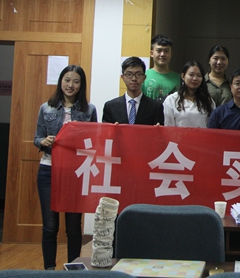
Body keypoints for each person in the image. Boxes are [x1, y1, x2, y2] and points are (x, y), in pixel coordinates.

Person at [34, 65, 97, 270]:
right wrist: (43, 141)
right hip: (49, 169)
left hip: (75, 172)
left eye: (76, 81)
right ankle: (49, 270)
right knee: (50, 226)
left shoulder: (89, 110)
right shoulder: (46, 108)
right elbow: (37, 138)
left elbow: (94, 141)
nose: (71, 85)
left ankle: (73, 269)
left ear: (81, 85)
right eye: (67, 80)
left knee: (73, 226)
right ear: (60, 81)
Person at [102, 57, 164, 125]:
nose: (134, 79)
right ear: (123, 77)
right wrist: (113, 129)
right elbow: (105, 131)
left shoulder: (155, 107)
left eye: (138, 74)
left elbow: (158, 130)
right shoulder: (110, 107)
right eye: (129, 74)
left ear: (144, 78)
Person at [163, 61, 215, 127]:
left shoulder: (208, 101)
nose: (195, 78)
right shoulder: (171, 100)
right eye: (191, 75)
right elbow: (168, 127)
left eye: (199, 75)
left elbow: (211, 127)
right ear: (183, 76)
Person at [142, 34, 179, 103]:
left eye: (166, 51)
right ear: (151, 53)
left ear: (171, 54)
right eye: (159, 51)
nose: (162, 54)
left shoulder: (178, 79)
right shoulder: (143, 76)